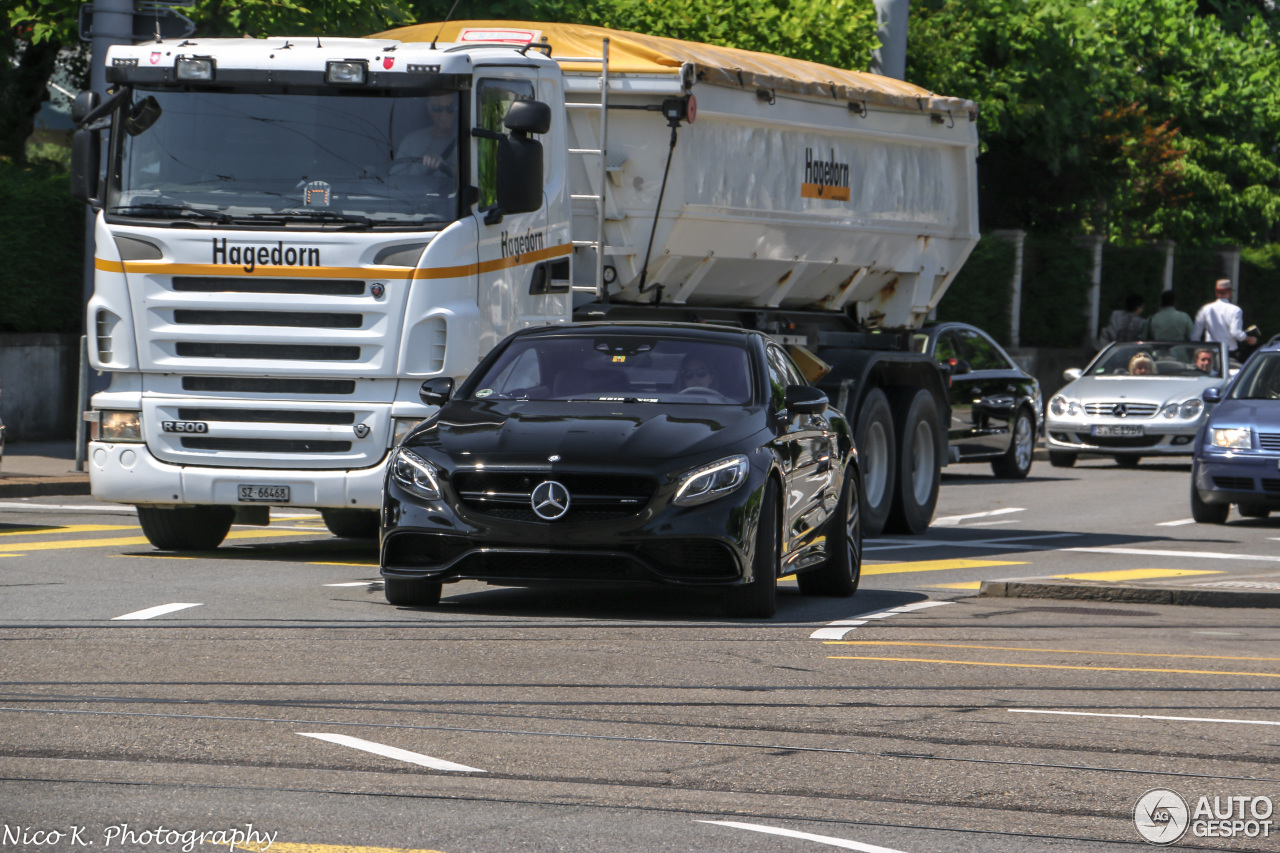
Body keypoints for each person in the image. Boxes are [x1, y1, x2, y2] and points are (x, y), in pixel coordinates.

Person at [391, 95, 459, 179]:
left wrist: (447, 167)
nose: (444, 115)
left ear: (457, 109)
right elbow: (395, 180)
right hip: (413, 191)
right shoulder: (411, 141)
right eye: (438, 108)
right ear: (429, 108)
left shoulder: (467, 143)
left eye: (450, 108)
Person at [1193, 279, 1256, 357]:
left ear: (1216, 292)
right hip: (1229, 351)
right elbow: (1236, 333)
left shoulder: (1205, 309)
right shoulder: (1235, 310)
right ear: (1229, 292)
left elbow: (1195, 336)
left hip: (1210, 350)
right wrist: (1249, 339)